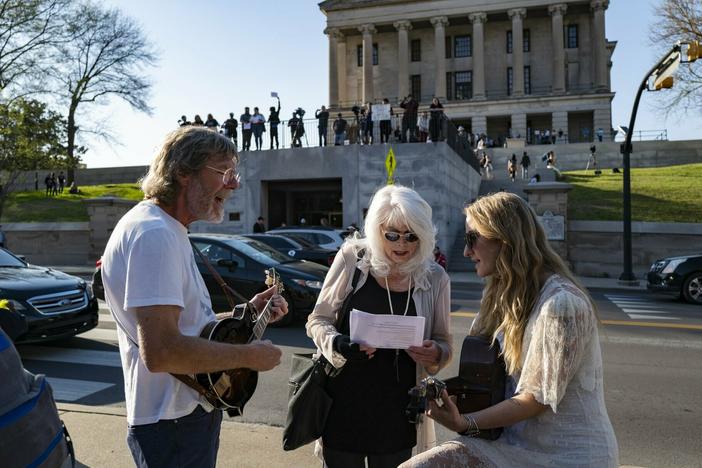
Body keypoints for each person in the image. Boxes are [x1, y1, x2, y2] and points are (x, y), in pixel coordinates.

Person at [100, 126, 288, 468]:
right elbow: (161, 351)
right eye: (223, 173)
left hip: (180, 419)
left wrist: (248, 312)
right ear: (182, 173)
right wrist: (247, 356)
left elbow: (183, 326)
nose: (233, 185)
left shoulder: (164, 227)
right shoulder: (154, 233)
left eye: (235, 174)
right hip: (173, 423)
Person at [401, 192, 619, 468]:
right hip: (510, 443)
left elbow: (534, 399)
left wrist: (465, 422)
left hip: (569, 455)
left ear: (504, 240)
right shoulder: (500, 294)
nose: (467, 252)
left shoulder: (562, 304)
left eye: (472, 239)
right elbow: (481, 365)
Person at [306, 184, 453, 468]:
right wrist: (338, 343)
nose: (402, 244)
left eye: (412, 236)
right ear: (377, 230)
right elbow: (317, 320)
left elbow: (445, 343)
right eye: (392, 235)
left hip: (398, 413)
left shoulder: (435, 278)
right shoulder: (353, 259)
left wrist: (435, 353)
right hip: (343, 406)